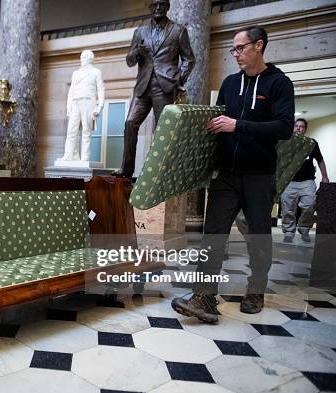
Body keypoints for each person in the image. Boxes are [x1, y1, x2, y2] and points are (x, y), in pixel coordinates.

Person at [171, 26, 295, 322]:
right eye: (234, 49)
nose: (235, 54)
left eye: (240, 48)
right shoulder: (229, 83)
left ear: (259, 46)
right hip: (225, 174)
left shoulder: (279, 84)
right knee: (212, 234)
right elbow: (218, 124)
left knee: (258, 237)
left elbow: (284, 128)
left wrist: (237, 125)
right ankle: (203, 296)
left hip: (259, 175)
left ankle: (256, 289)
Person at [112, 0, 195, 177]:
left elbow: (189, 59)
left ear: (168, 7)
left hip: (165, 85)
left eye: (162, 4)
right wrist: (136, 53)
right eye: (154, 4)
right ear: (150, 7)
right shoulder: (140, 31)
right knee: (129, 123)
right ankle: (126, 170)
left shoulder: (178, 30)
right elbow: (129, 60)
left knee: (162, 129)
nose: (158, 8)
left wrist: (178, 79)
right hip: (142, 86)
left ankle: (161, 172)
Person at [281, 118, 329, 243]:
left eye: (301, 126)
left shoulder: (311, 143)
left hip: (307, 182)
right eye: (296, 126)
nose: (298, 128)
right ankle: (289, 232)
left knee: (310, 205)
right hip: (289, 182)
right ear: (293, 128)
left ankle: (304, 228)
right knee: (288, 208)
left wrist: (324, 176)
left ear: (305, 129)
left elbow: (320, 160)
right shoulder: (286, 142)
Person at [58, 50, 105, 163]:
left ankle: (85, 158)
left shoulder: (96, 72)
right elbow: (71, 91)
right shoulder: (76, 73)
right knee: (71, 131)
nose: (81, 60)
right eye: (81, 57)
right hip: (75, 103)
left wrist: (99, 107)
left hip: (88, 103)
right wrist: (69, 107)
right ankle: (69, 155)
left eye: (84, 58)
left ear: (89, 59)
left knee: (86, 131)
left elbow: (101, 89)